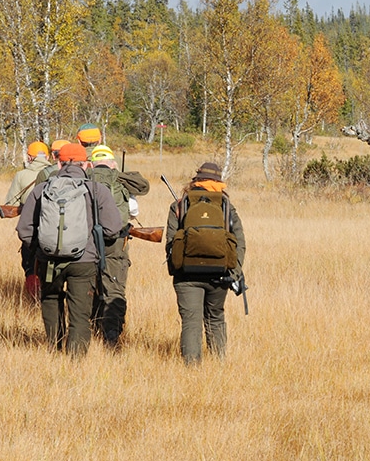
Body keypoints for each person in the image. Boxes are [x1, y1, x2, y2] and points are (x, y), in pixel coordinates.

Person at [16, 142, 122, 358]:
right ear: (86, 164)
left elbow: (24, 230)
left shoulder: (41, 189)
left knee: (51, 302)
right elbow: (113, 229)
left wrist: (41, 249)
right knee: (80, 312)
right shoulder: (96, 190)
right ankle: (75, 359)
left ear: (58, 162)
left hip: (47, 260)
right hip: (84, 261)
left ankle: (55, 352)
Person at [165, 161, 246, 365]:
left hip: (186, 276)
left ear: (196, 180)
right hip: (219, 273)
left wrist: (176, 268)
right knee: (215, 318)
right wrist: (234, 272)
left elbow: (170, 242)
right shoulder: (226, 206)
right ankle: (219, 364)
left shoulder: (180, 205)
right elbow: (239, 242)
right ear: (219, 182)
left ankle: (192, 369)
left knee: (191, 322)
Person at [88, 144, 151, 348]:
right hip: (116, 242)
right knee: (113, 288)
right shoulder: (120, 180)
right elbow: (133, 210)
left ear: (92, 163)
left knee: (89, 285)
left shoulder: (85, 177)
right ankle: (112, 335)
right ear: (112, 164)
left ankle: (91, 330)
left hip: (86, 242)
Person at [4, 141, 52, 297]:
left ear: (30, 157)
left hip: (30, 228)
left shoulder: (21, 175)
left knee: (30, 265)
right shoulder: (56, 172)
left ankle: (33, 299)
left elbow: (11, 204)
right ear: (48, 156)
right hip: (53, 228)